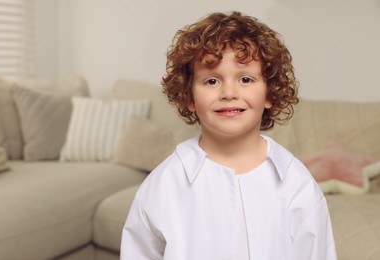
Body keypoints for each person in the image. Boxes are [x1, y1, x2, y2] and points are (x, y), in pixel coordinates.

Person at [120, 11, 337, 260]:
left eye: (246, 79)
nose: (229, 92)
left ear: (270, 93)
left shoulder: (296, 183)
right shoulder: (164, 184)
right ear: (189, 97)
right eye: (212, 81)